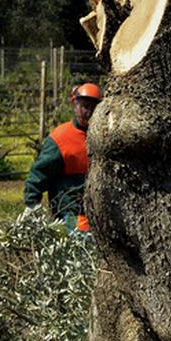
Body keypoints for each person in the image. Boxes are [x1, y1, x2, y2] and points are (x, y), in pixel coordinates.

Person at [25, 82, 102, 231]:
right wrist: (33, 211)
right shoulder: (60, 139)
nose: (88, 112)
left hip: (102, 215)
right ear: (75, 105)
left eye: (93, 107)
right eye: (84, 106)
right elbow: (37, 177)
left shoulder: (105, 136)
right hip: (72, 215)